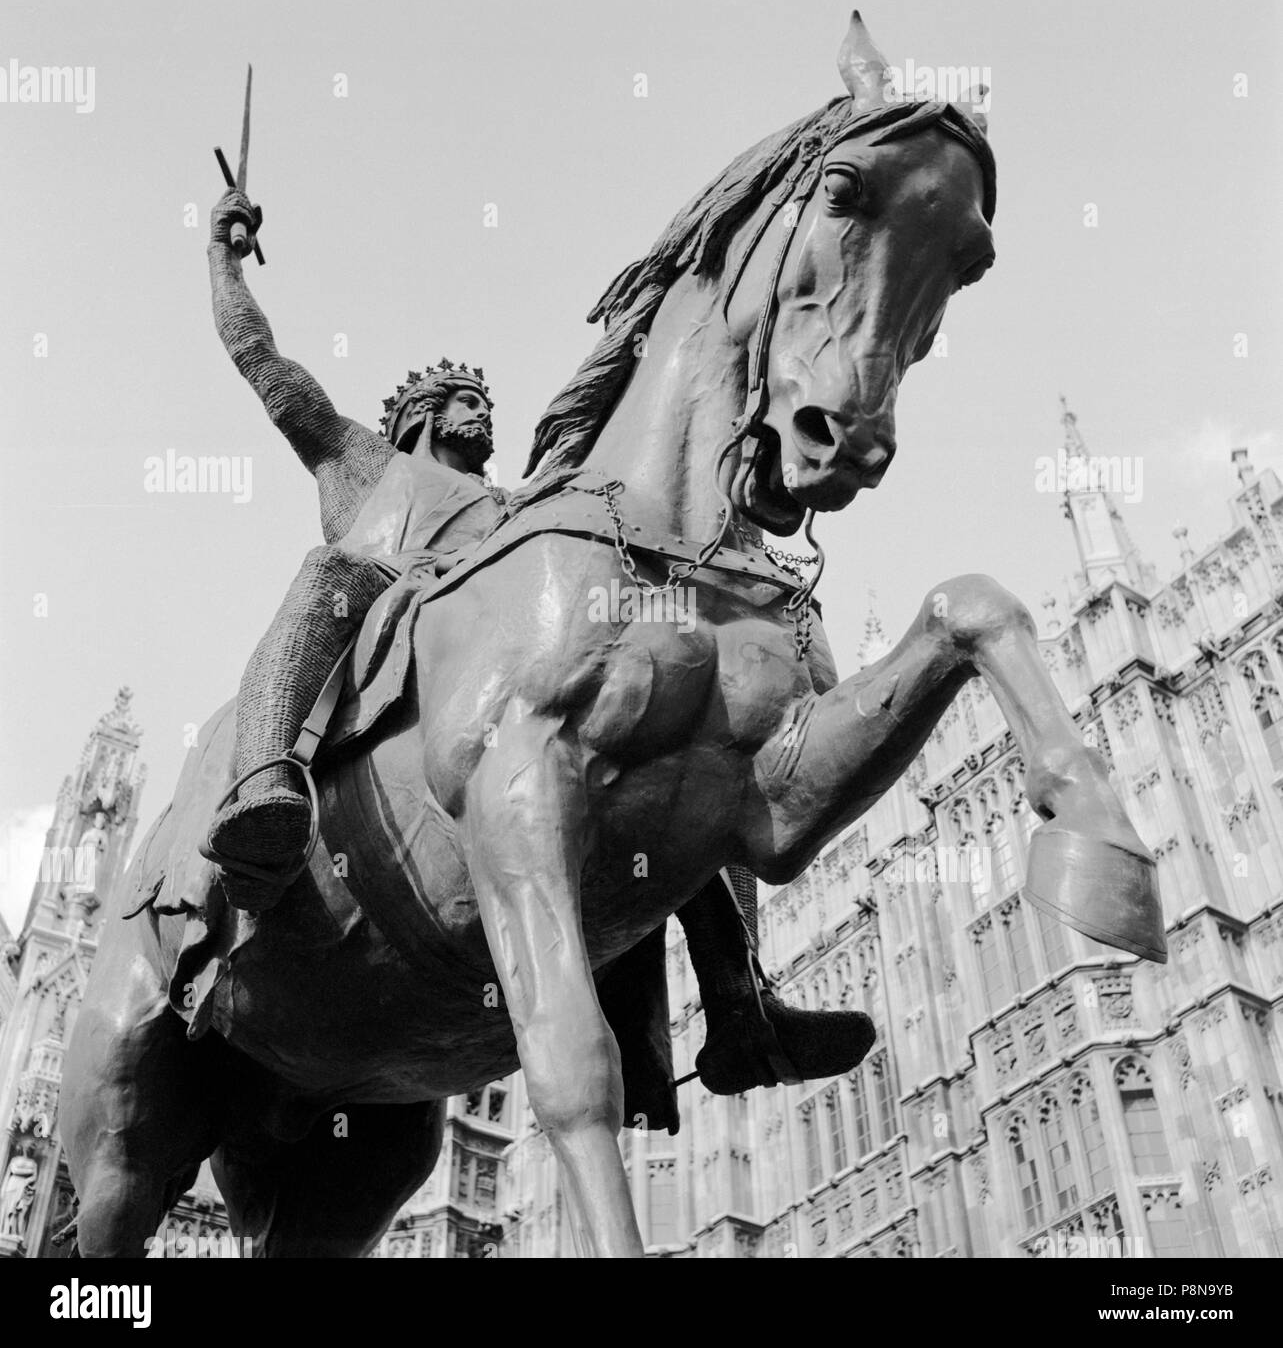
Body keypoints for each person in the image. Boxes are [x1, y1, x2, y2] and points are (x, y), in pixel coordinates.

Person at [205, 187, 875, 1101]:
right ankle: (263, 787)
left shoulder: (527, 512)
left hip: (495, 682)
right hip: (386, 633)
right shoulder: (360, 461)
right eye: (464, 400)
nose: (483, 412)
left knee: (681, 760)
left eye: (485, 400)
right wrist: (225, 256)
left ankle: (738, 1002)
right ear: (421, 417)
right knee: (329, 574)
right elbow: (260, 359)